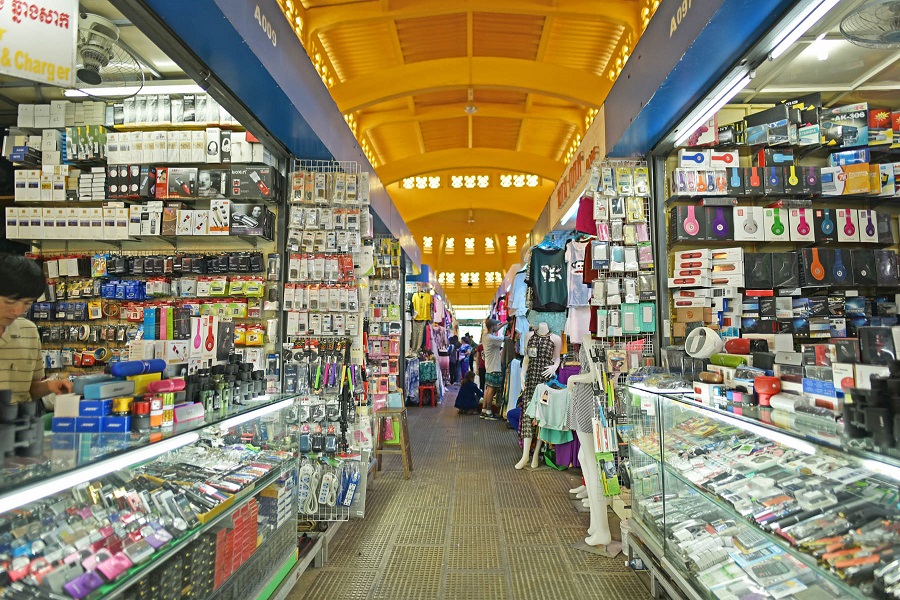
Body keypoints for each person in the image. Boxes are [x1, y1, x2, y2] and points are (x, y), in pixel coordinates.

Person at [0, 255, 73, 405]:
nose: (18, 311)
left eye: (27, 303)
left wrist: (49, 386)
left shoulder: (29, 331)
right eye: (10, 301)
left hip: (21, 418)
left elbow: (28, 389)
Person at [480, 318, 507, 420]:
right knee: (492, 390)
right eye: (496, 325)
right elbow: (506, 338)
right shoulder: (491, 338)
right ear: (492, 327)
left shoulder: (485, 336)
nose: (497, 327)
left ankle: (484, 411)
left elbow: (496, 329)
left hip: (489, 367)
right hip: (494, 367)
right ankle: (488, 411)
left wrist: (505, 323)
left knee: (488, 389)